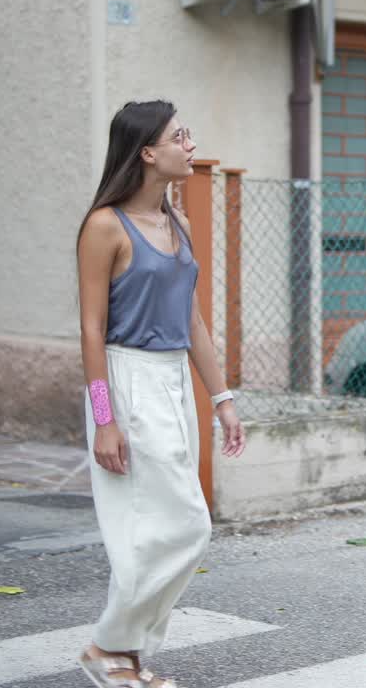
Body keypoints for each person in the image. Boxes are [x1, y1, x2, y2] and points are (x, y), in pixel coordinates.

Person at [74, 100, 246, 688]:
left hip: (172, 380)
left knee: (168, 527)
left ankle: (126, 658)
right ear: (148, 152)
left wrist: (222, 400)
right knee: (182, 526)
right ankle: (108, 648)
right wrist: (104, 420)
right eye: (180, 136)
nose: (190, 145)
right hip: (126, 380)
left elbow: (193, 321)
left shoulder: (180, 226)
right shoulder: (104, 226)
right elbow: (91, 329)